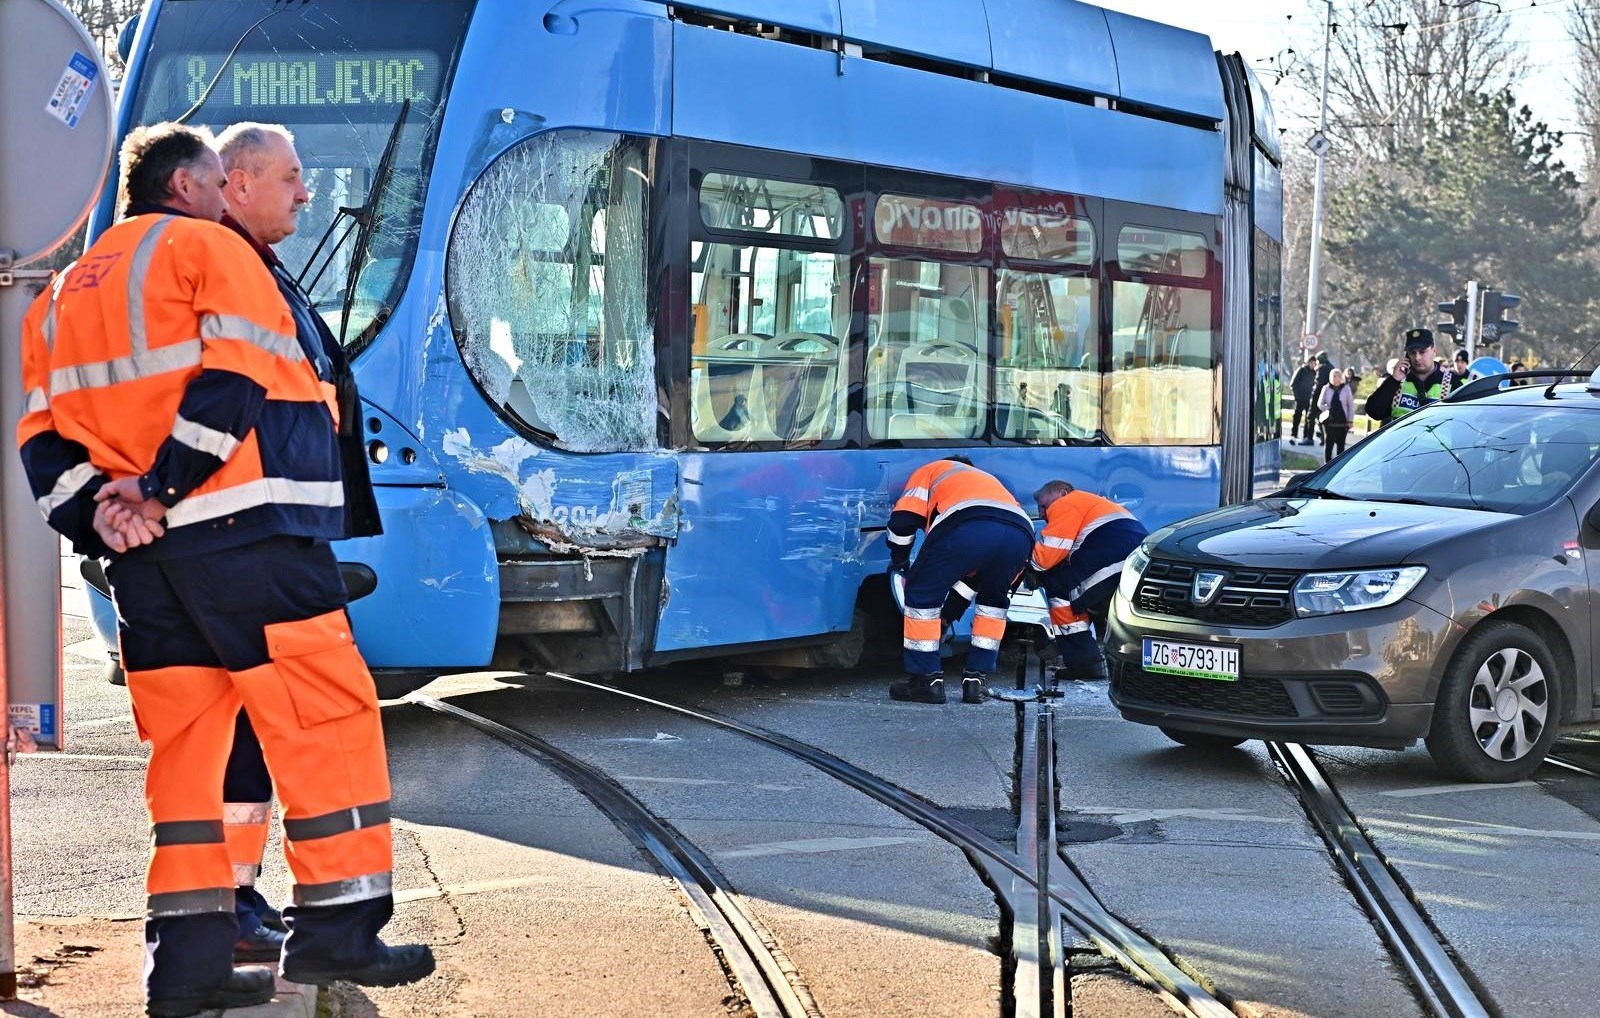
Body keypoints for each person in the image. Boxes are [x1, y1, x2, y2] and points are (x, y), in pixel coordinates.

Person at [15, 122, 431, 1018]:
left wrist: (109, 515)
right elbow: (236, 381)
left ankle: (189, 967)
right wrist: (162, 486)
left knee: (189, 762)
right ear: (194, 188)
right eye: (222, 185)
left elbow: (40, 441)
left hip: (147, 570)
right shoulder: (209, 248)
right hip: (249, 537)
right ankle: (340, 931)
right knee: (327, 720)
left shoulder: (55, 297)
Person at [214, 123, 385, 963]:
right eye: (290, 177)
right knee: (305, 721)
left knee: (256, 727)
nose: (307, 192)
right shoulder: (227, 266)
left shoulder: (256, 264)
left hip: (271, 528)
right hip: (256, 535)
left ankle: (237, 902)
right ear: (236, 182)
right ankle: (310, 921)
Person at [885, 457, 1034, 705]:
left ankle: (926, 681)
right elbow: (971, 583)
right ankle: (976, 681)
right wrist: (947, 617)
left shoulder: (931, 469)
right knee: (993, 605)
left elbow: (903, 520)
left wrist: (900, 561)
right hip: (1020, 534)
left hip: (966, 524)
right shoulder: (988, 479)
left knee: (921, 594)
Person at [1029, 481, 1148, 682]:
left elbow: (1043, 559)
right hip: (1136, 562)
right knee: (1088, 595)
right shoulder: (1093, 505)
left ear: (1062, 492)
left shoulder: (1067, 502)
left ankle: (1083, 662)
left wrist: (1024, 560)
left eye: (1044, 505)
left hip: (1112, 560)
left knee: (1059, 585)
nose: (1042, 514)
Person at [1365, 328, 1459, 422]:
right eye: (1412, 352)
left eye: (1422, 352)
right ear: (1407, 355)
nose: (1417, 358)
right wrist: (1394, 380)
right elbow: (1374, 411)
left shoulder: (1452, 383)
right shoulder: (1398, 382)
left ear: (1434, 351)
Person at [1317, 368, 1355, 462]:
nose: (1335, 378)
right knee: (1328, 445)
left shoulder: (1346, 389)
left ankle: (1339, 468)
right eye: (1333, 376)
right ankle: (1326, 467)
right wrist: (1328, 409)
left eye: (1338, 376)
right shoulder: (1326, 388)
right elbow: (1320, 404)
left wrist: (1350, 420)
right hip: (1329, 422)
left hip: (1342, 422)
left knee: (1341, 446)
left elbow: (1350, 405)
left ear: (1341, 377)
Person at [1290, 354, 1317, 445]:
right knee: (1297, 417)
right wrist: (1297, 397)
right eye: (1312, 363)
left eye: (1314, 363)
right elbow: (1293, 384)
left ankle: (1306, 436)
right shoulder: (1301, 370)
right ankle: (1293, 435)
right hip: (1300, 398)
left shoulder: (1314, 372)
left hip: (1308, 399)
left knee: (1308, 419)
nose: (1313, 365)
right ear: (1308, 362)